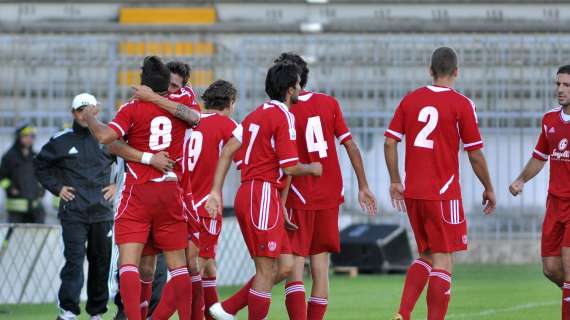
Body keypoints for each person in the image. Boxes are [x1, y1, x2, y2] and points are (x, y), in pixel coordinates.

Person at [82, 56, 200, 320]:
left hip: (138, 191)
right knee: (177, 267)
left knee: (129, 264)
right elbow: (195, 118)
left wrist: (90, 117)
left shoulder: (132, 108)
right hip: (171, 191)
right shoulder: (178, 106)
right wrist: (151, 157)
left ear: (142, 85)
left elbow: (105, 139)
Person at [384, 47, 496, 320]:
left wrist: (396, 180)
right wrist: (489, 187)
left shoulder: (410, 100)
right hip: (444, 193)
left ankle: (403, 313)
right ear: (456, 72)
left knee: (425, 255)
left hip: (414, 192)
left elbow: (390, 141)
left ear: (430, 71)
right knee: (444, 260)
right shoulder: (461, 104)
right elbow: (475, 154)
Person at [206, 62, 322, 320]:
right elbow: (290, 167)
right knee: (266, 269)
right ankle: (230, 309)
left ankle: (229, 307)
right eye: (299, 85)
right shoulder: (284, 116)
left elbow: (227, 151)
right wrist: (313, 168)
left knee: (286, 265)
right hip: (261, 193)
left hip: (258, 194)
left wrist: (216, 190)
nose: (301, 89)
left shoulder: (255, 114)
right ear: (291, 89)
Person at [272, 53, 377, 320]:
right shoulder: (329, 103)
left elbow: (284, 163)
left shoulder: (283, 109)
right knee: (321, 268)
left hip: (296, 196)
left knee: (295, 268)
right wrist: (363, 186)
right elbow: (350, 144)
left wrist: (279, 203)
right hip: (329, 194)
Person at [34, 93, 116, 320]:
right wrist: (57, 187)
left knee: (101, 263)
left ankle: (97, 313)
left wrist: (117, 185)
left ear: (96, 111)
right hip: (74, 214)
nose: (85, 114)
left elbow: (130, 161)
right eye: (81, 110)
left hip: (102, 212)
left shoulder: (109, 136)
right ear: (73, 113)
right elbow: (40, 166)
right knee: (74, 263)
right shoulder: (60, 140)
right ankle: (68, 311)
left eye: (89, 109)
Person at [509, 65, 570, 319]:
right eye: (558, 84)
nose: (560, 89)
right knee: (551, 268)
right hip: (555, 204)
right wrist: (521, 179)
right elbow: (540, 156)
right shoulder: (549, 120)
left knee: (568, 269)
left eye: (566, 85)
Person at [0, 123, 45, 223]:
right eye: (25, 136)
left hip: (35, 207)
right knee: (16, 237)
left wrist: (41, 190)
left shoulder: (35, 156)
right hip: (16, 208)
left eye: (32, 136)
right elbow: (2, 177)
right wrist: (10, 188)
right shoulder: (9, 157)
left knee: (38, 236)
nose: (29, 139)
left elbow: (41, 176)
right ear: (18, 137)